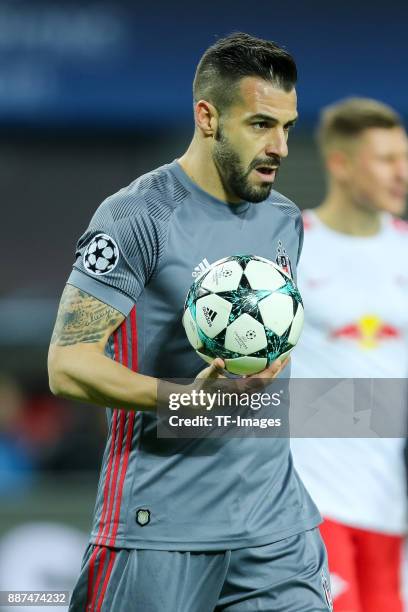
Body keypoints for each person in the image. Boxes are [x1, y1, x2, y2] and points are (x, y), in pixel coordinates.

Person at [48, 33, 331, 611]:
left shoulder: (283, 218)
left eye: (288, 127)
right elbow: (66, 365)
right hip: (159, 530)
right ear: (208, 117)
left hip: (275, 532)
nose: (280, 146)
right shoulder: (136, 216)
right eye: (259, 125)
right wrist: (179, 400)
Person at [290, 98, 408, 611]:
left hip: (392, 508)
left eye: (404, 158)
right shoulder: (291, 247)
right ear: (339, 163)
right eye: (385, 160)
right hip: (315, 503)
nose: (402, 173)